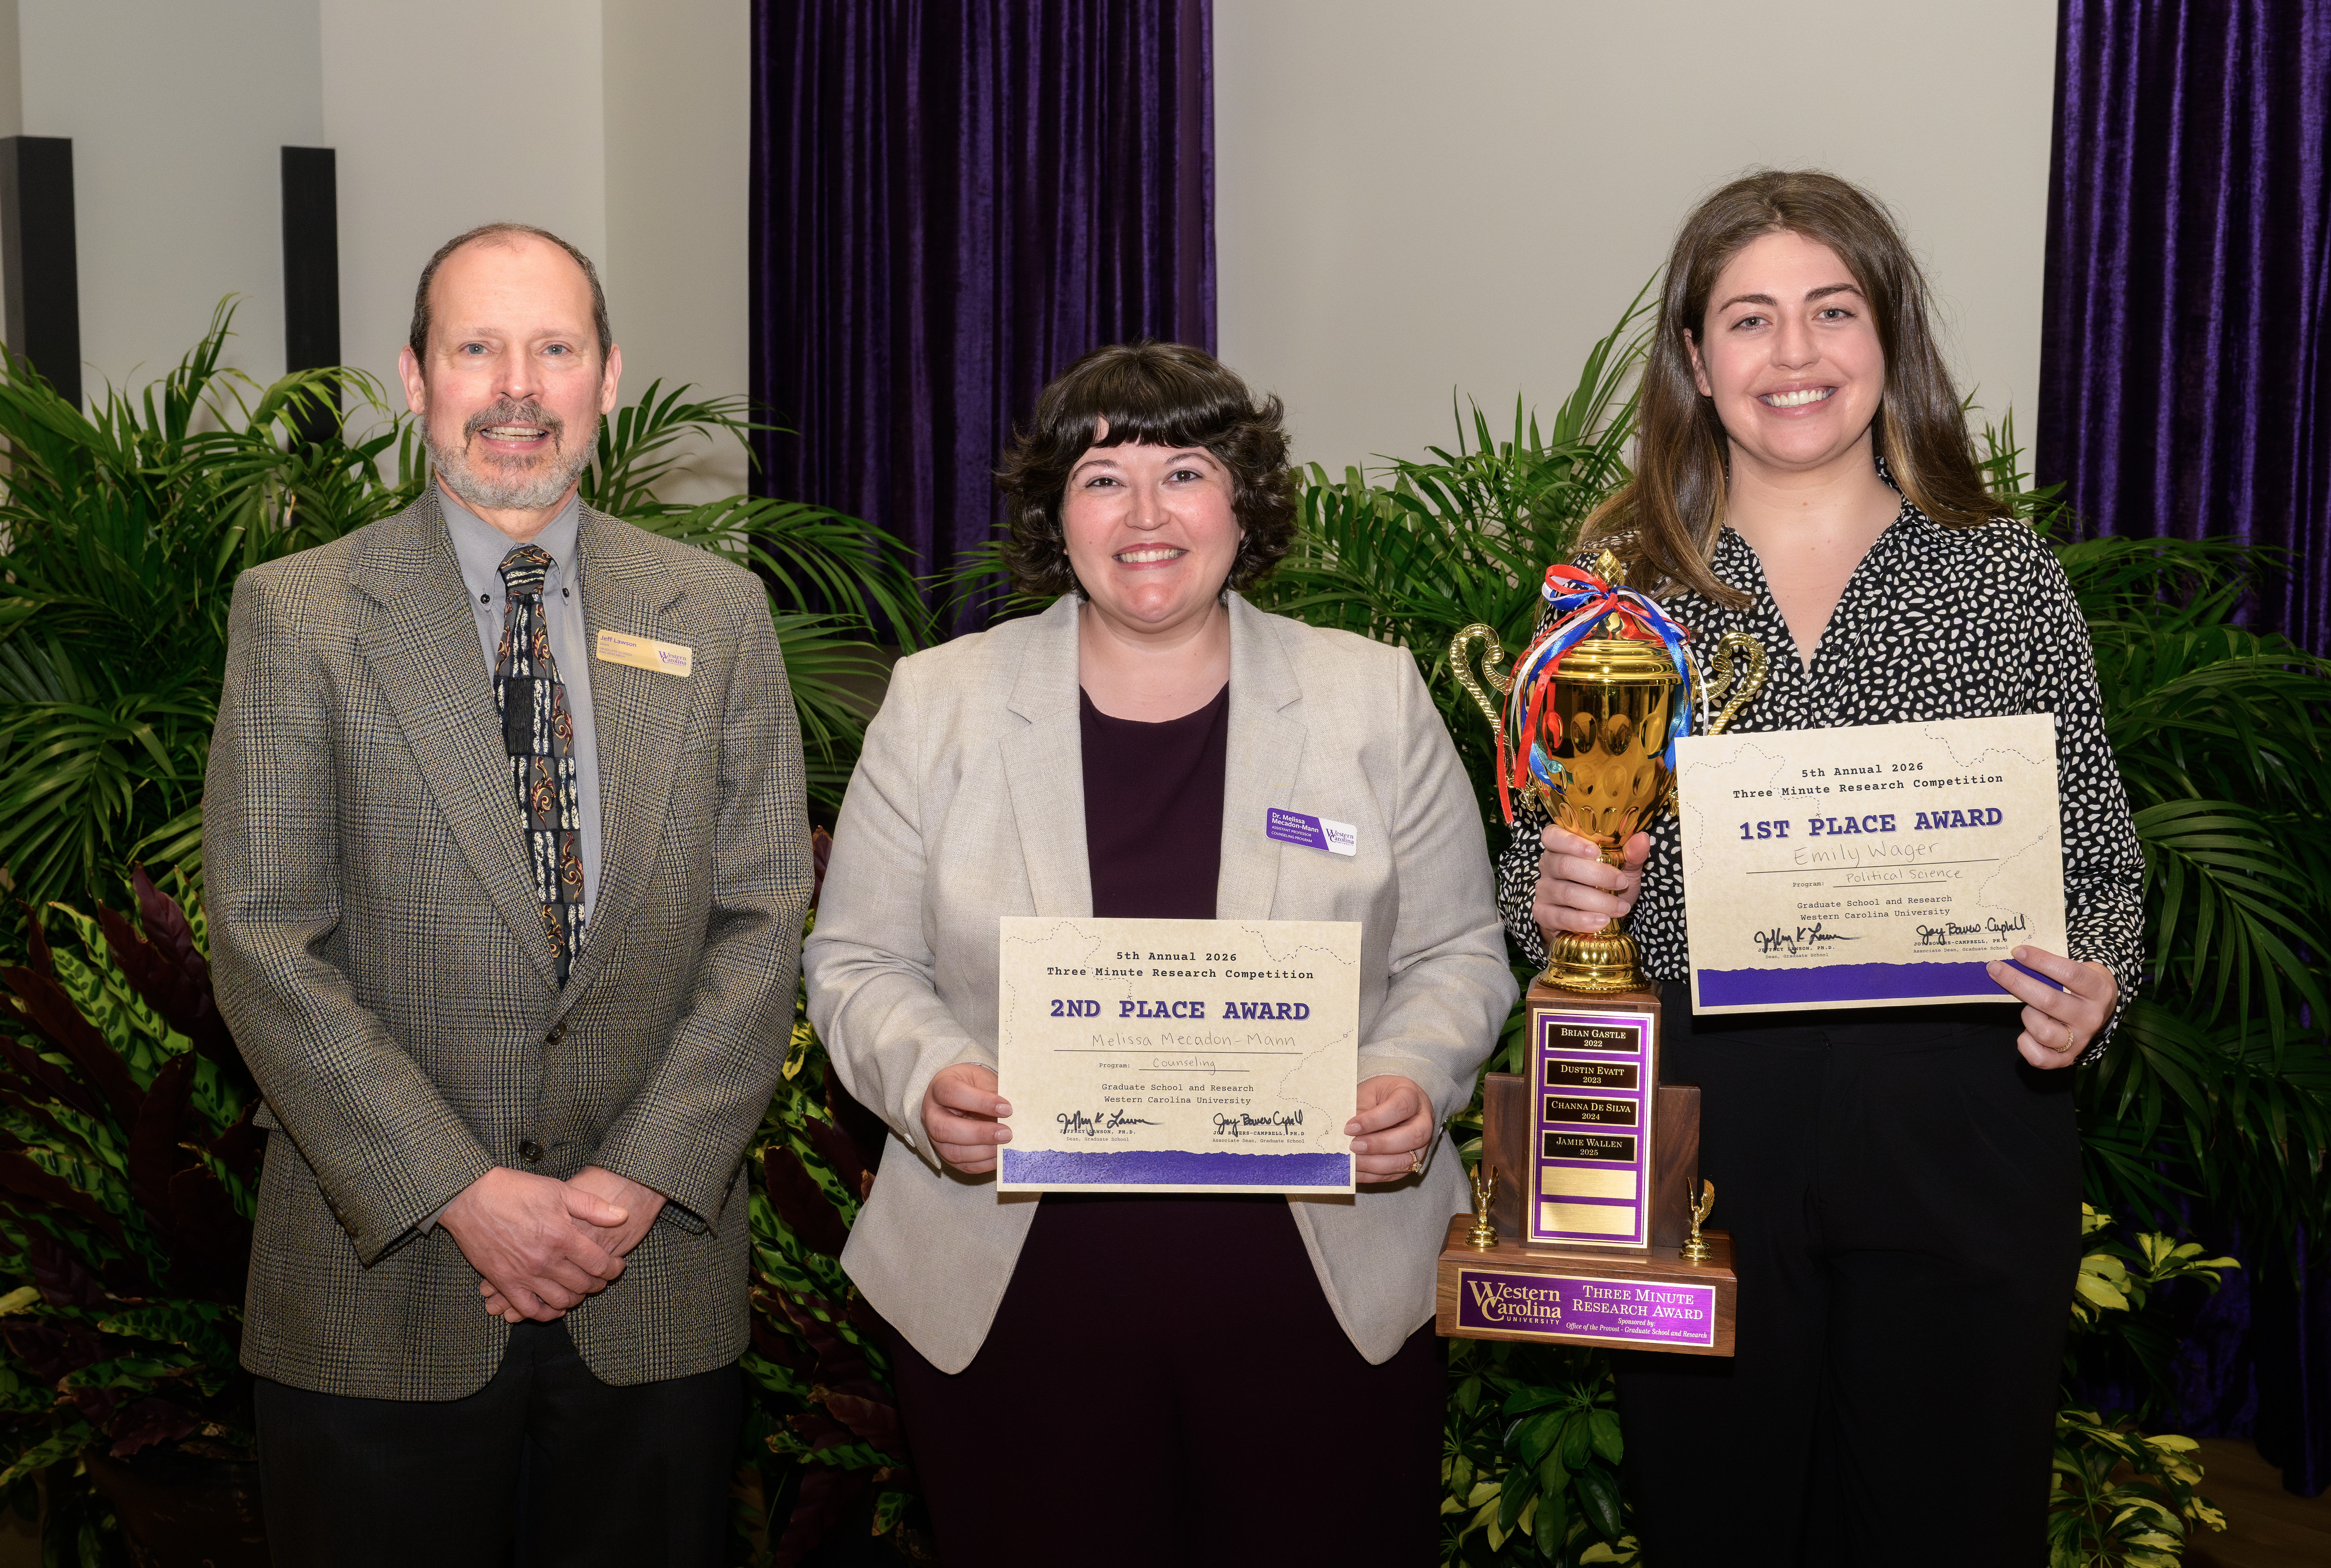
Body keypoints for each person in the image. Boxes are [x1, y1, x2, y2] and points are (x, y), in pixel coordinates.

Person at [1498, 170, 2144, 1565]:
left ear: (1886, 337)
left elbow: (2093, 856)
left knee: (1951, 1522)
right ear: (1692, 358)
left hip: (1961, 1113)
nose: (1791, 356)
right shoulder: (1614, 589)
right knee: (1713, 1522)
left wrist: (2093, 985)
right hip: (1702, 1124)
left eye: (1828, 310)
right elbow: (1534, 868)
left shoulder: (1997, 575)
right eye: (1747, 319)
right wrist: (1553, 892)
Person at [804, 341, 1515, 1565]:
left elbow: (1458, 951)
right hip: (1013, 1302)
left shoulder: (1370, 699)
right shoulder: (938, 703)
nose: (1145, 514)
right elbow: (857, 961)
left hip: (1319, 1296)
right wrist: (926, 1085)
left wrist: (1415, 1074)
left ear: (1242, 501)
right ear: (1053, 516)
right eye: (1101, 480)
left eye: (1184, 471)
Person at [203, 223, 810, 1566]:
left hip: (649, 1283)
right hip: (380, 1298)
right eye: (477, 347)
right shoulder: (300, 615)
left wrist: (633, 1186)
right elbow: (263, 939)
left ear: (607, 376)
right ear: (415, 378)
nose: (517, 388)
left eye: (554, 348)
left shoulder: (717, 614)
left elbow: (765, 916)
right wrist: (468, 1191)